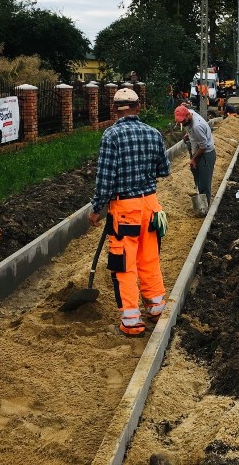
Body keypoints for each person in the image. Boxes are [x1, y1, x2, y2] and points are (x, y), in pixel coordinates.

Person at [89, 87, 171, 338]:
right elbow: (164, 169)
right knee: (149, 259)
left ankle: (132, 321)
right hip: (150, 206)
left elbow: (105, 179)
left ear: (115, 109)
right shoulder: (153, 133)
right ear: (138, 107)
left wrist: (96, 209)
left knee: (124, 265)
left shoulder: (111, 136)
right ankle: (157, 308)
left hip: (125, 209)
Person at [174, 104, 216, 205]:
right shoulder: (189, 113)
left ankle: (204, 208)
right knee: (197, 176)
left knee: (204, 183)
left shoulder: (197, 126)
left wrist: (193, 159)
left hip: (205, 155)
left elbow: (203, 146)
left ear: (188, 115)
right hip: (198, 152)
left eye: (183, 121)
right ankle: (200, 199)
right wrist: (188, 135)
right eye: (180, 122)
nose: (182, 123)